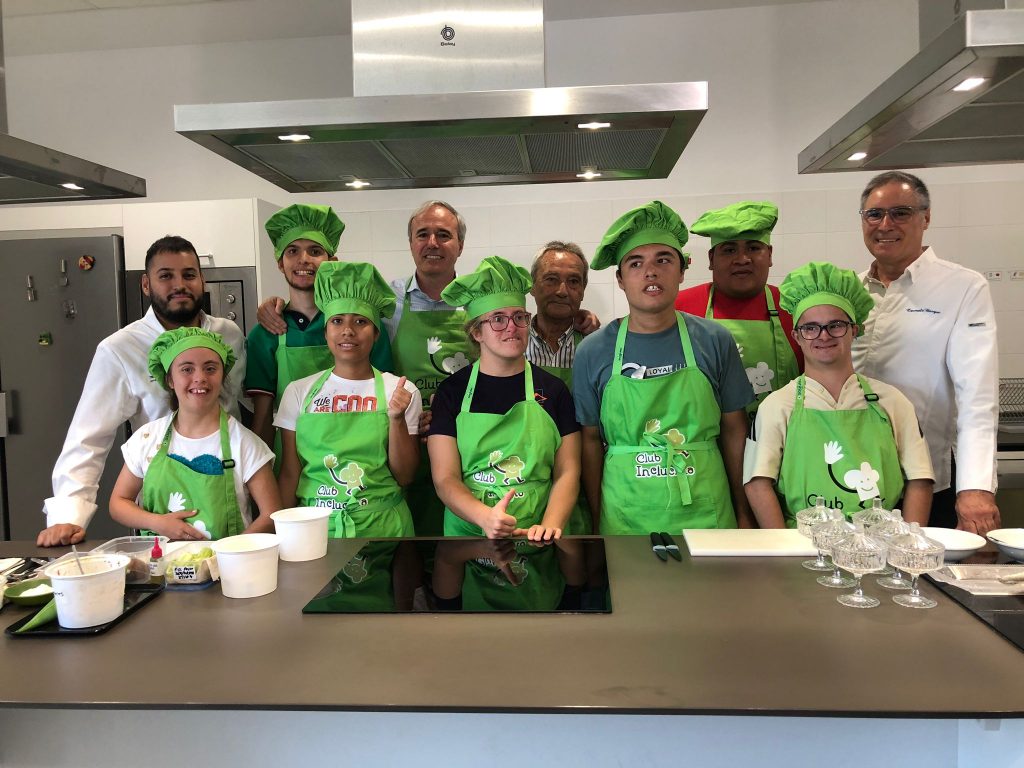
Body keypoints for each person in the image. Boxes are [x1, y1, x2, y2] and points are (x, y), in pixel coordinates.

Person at [38, 236, 246, 547]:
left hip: (230, 491)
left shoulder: (229, 335)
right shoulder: (120, 349)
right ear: (147, 285)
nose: (179, 284)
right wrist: (68, 515)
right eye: (166, 276)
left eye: (189, 274)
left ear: (202, 280)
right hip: (161, 509)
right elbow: (88, 438)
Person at [573, 201, 755, 534]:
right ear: (620, 279)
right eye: (636, 263)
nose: (651, 271)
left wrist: (743, 510)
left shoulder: (715, 340)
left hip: (707, 508)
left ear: (683, 270)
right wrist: (600, 521)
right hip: (626, 514)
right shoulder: (593, 350)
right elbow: (589, 441)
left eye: (663, 259)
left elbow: (734, 430)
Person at [852, 171, 1000, 534]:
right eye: (874, 214)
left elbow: (977, 397)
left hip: (922, 478)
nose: (885, 224)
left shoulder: (962, 287)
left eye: (900, 213)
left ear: (926, 217)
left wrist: (976, 488)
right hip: (852, 472)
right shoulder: (850, 290)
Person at [744, 262, 934, 527]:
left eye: (835, 325)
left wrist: (908, 545)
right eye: (810, 328)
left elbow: (920, 479)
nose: (823, 336)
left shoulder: (892, 401)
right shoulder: (777, 405)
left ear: (854, 330)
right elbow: (758, 484)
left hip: (880, 543)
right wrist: (783, 550)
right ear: (796, 336)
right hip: (803, 545)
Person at [428, 256, 581, 541]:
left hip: (540, 533)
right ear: (477, 332)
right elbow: (445, 478)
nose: (512, 327)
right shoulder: (452, 392)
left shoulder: (554, 390)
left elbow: (568, 470)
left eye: (519, 317)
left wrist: (550, 524)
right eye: (497, 319)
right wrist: (485, 517)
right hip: (469, 535)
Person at [276, 261, 421, 538]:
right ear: (326, 330)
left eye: (360, 321)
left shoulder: (401, 391)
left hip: (384, 528)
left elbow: (405, 477)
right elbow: (290, 473)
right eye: (337, 321)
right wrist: (280, 533)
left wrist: (397, 419)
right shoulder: (299, 392)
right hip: (315, 528)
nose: (348, 331)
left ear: (376, 333)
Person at [245, 204, 389, 458]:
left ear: (332, 261)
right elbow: (263, 415)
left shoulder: (363, 327)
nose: (304, 260)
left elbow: (385, 400)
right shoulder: (266, 333)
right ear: (280, 263)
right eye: (292, 251)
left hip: (360, 456)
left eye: (315, 251)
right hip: (291, 458)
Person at [110, 328, 279, 540]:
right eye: (187, 369)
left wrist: (230, 551)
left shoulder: (244, 443)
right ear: (170, 379)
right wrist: (159, 523)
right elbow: (118, 502)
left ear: (223, 376)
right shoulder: (148, 438)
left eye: (210, 368)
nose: (200, 378)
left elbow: (271, 515)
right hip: (160, 568)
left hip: (226, 569)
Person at [676, 201, 801, 414]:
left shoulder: (795, 308)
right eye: (729, 250)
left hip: (783, 441)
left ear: (769, 255)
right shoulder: (680, 307)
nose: (742, 259)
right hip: (707, 444)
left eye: (753, 248)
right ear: (711, 259)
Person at [526, 240, 590, 386]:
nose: (562, 291)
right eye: (551, 279)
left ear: (582, 291)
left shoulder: (597, 347)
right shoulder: (512, 342)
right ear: (532, 286)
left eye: (573, 281)